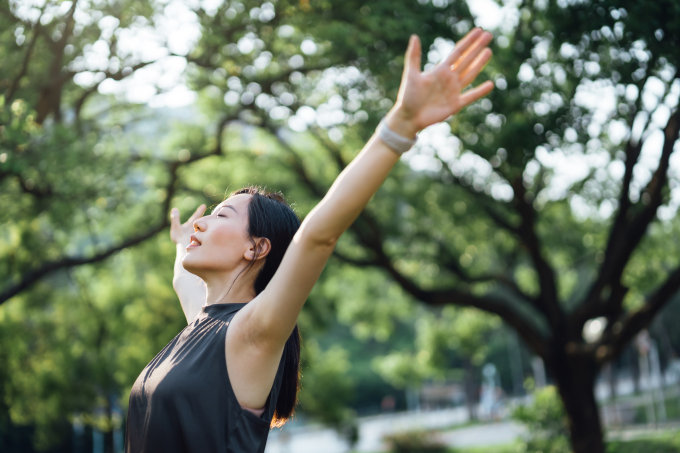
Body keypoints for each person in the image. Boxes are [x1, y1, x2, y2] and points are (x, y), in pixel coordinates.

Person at [125, 28, 494, 453]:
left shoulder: (252, 332)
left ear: (257, 247)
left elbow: (318, 235)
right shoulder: (202, 326)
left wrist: (400, 127)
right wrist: (180, 243)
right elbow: (181, 281)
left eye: (221, 214)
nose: (202, 223)